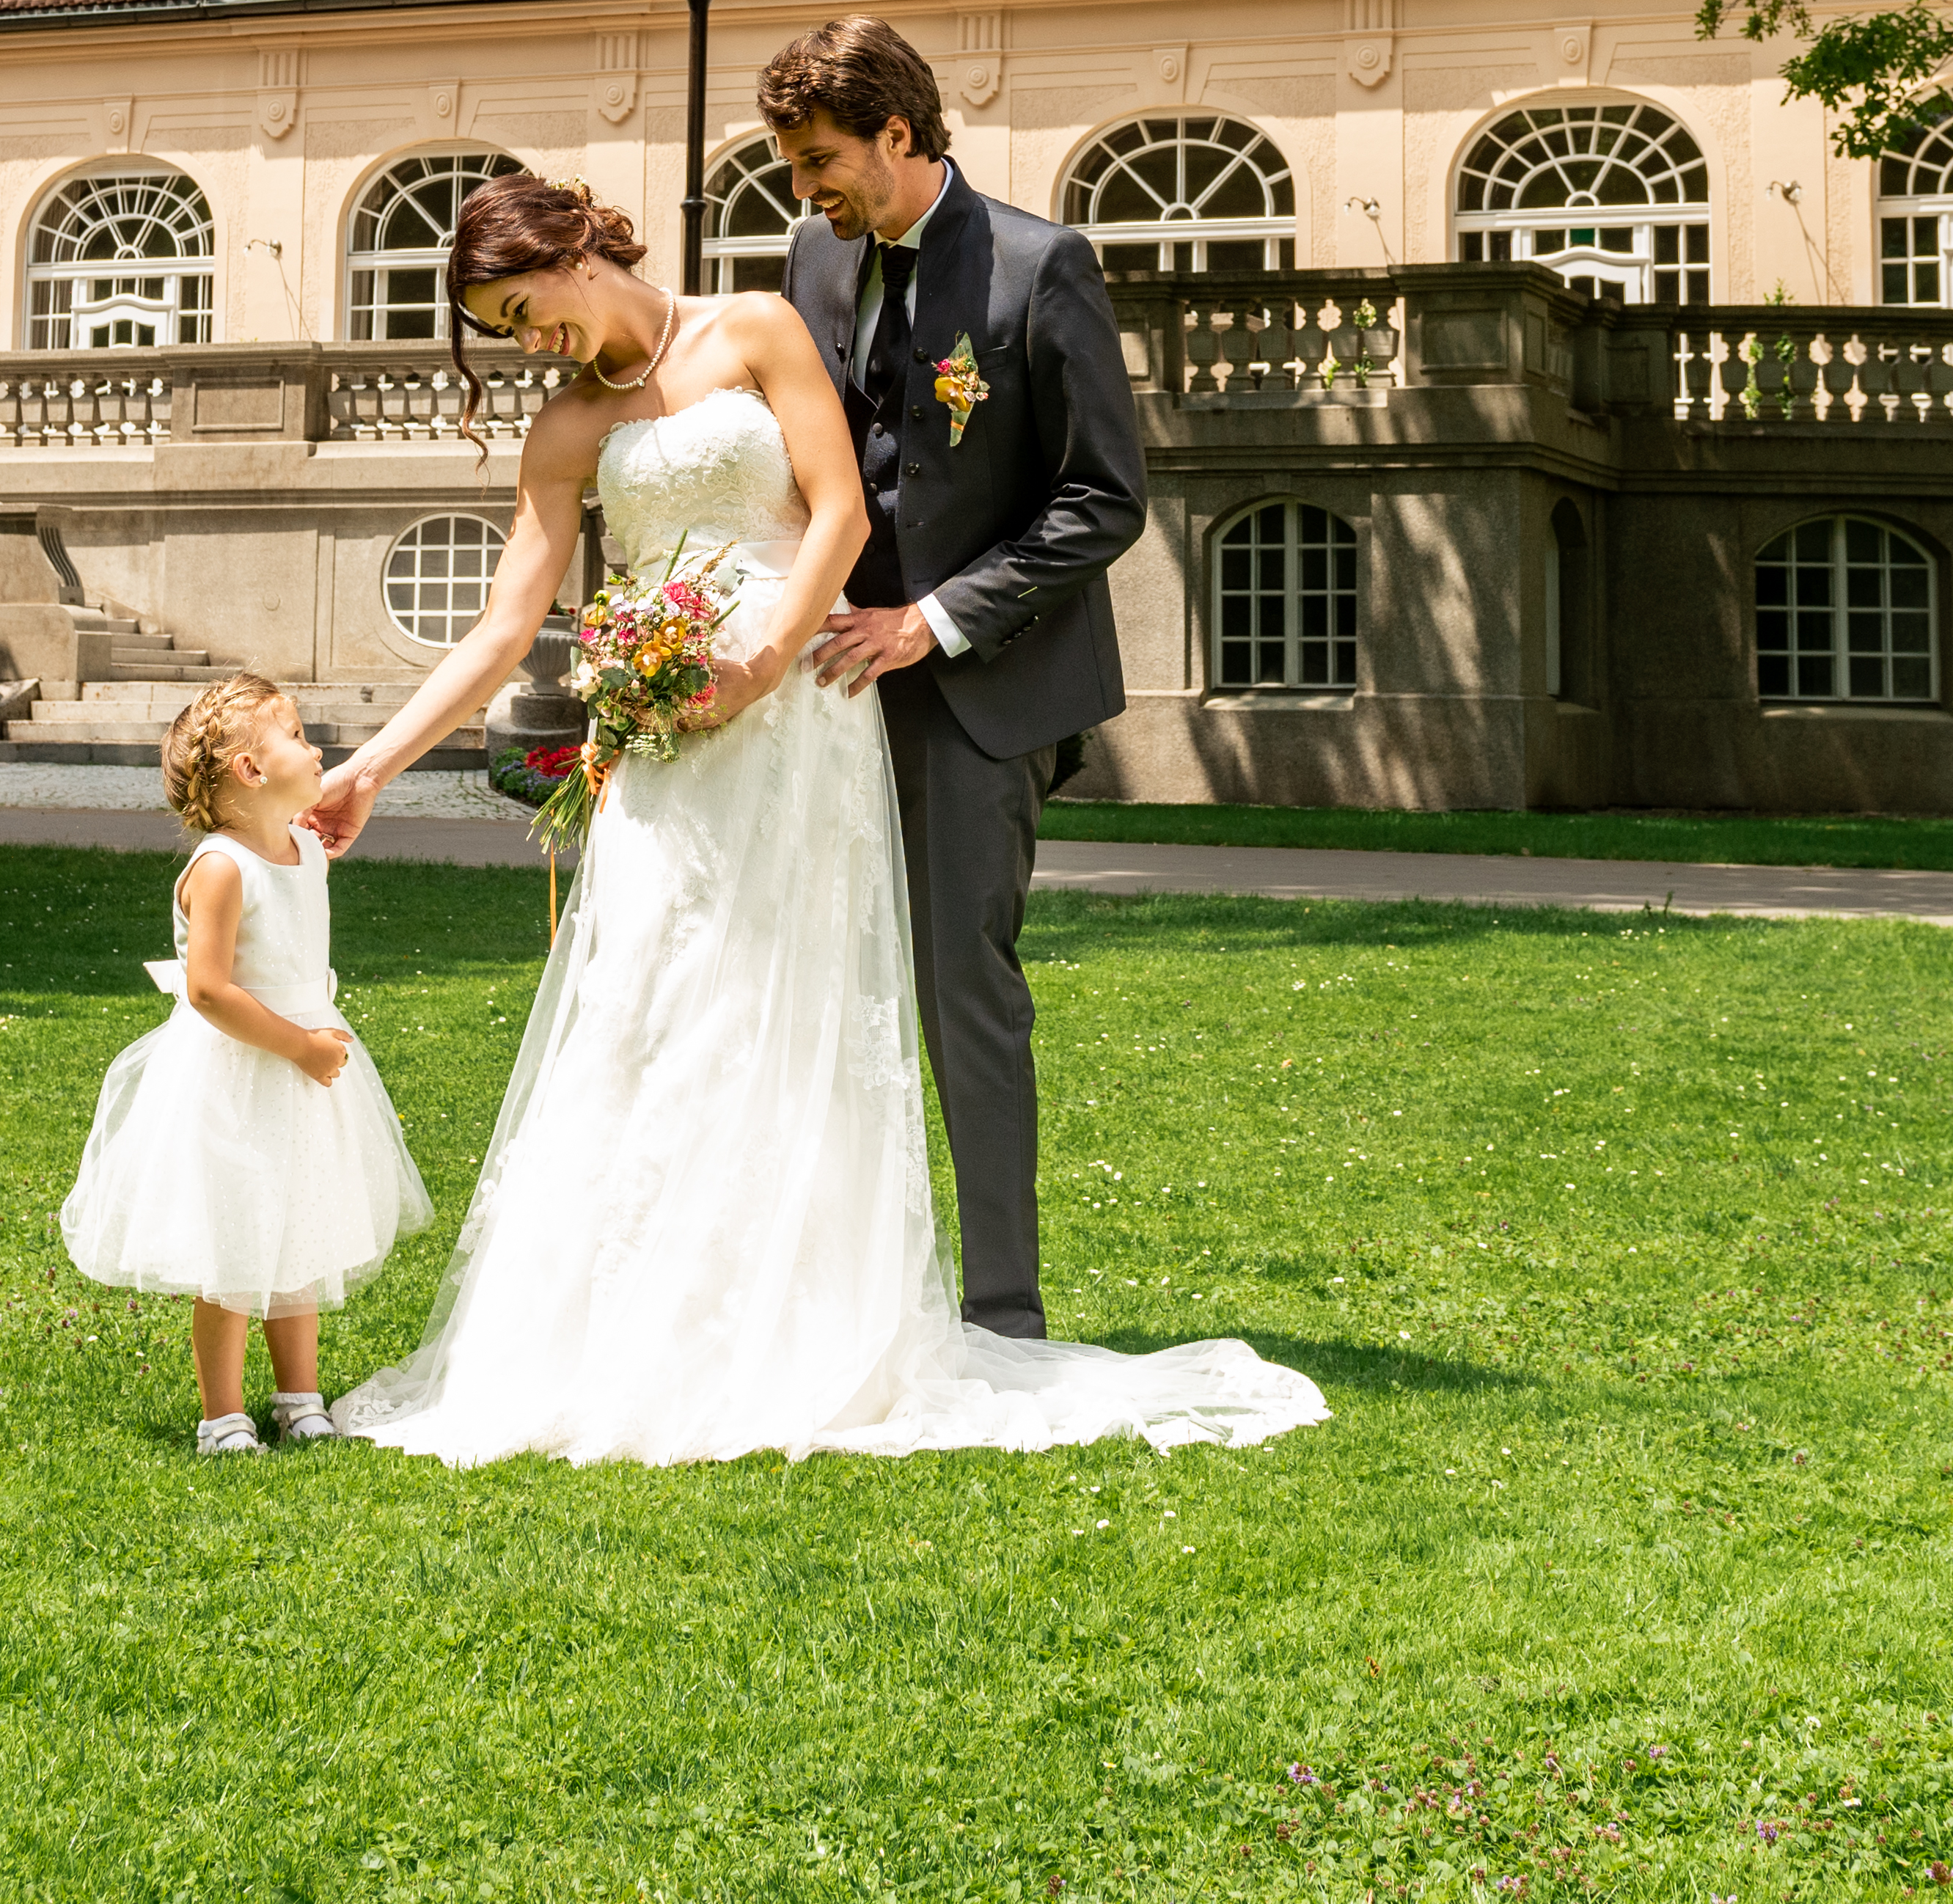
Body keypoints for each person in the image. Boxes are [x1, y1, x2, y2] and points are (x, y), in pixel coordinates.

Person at [307, 171, 1321, 1466]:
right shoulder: (563, 428)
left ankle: (810, 1318)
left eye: (526, 308)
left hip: (798, 712)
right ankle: (641, 1330)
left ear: (576, 245)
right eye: (503, 331)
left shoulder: (757, 327)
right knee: (653, 1002)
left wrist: (765, 659)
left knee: (795, 1003)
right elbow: (511, 619)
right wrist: (371, 766)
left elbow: (839, 510)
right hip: (672, 743)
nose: (530, 343)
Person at [766, 11, 1146, 1341]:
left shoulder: (1042, 267)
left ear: (897, 130)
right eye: (792, 168)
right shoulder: (809, 258)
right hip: (822, 691)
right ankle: (838, 1296)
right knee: (810, 978)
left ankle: (1000, 1316)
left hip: (977, 698)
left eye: (821, 159)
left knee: (956, 988)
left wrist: (932, 620)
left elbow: (1102, 498)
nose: (805, 190)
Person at [60, 673, 431, 1456]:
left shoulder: (304, 847)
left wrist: (312, 1044)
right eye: (296, 735)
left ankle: (300, 1395)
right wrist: (299, 1045)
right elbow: (207, 988)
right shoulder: (222, 868)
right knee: (232, 1243)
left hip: (304, 1069)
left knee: (298, 1229)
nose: (317, 747)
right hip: (238, 1074)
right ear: (250, 772)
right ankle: (221, 1413)